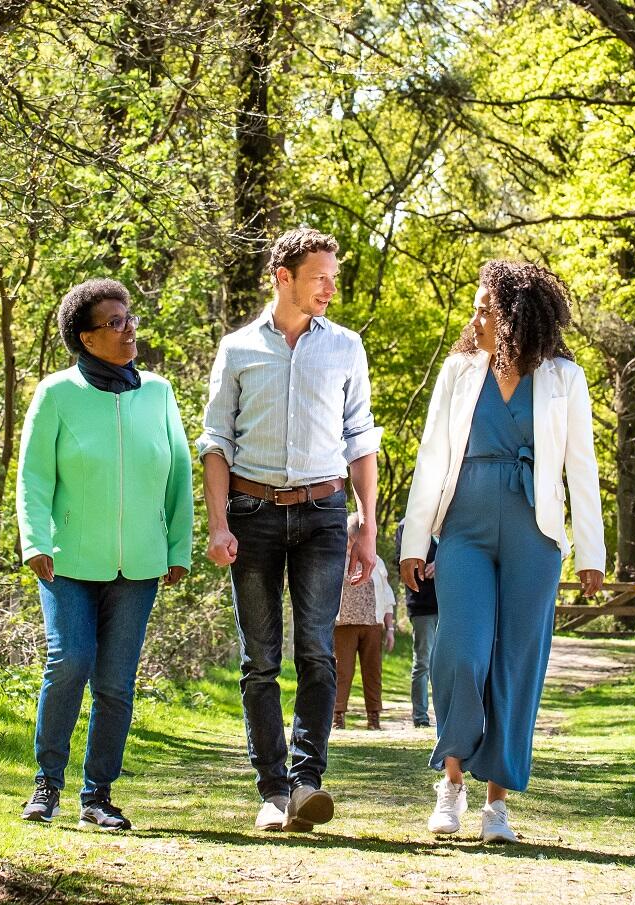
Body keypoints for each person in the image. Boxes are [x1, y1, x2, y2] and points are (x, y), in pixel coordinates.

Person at [399, 260, 606, 844]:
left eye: (486, 307)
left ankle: (496, 806)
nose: (476, 317)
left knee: (516, 665)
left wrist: (591, 552)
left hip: (534, 536)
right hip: (462, 528)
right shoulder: (460, 371)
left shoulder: (564, 378)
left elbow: (581, 469)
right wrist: (416, 542)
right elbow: (431, 456)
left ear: (514, 316)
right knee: (458, 654)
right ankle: (452, 780)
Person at [199, 227, 383, 832]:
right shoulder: (238, 349)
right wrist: (218, 523)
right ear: (284, 278)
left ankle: (308, 782)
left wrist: (367, 526)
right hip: (251, 517)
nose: (330, 288)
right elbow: (217, 441)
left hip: (324, 515)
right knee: (259, 661)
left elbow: (360, 440)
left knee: (317, 653)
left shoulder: (346, 347)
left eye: (333, 277)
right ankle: (273, 791)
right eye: (319, 278)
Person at [15, 278, 193, 832]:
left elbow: (180, 476)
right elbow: (34, 476)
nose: (128, 329)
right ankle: (47, 784)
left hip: (138, 564)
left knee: (115, 681)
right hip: (66, 559)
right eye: (114, 323)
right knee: (70, 660)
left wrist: (177, 546)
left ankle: (99, 795)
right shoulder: (57, 394)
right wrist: (34, 541)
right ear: (86, 339)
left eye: (129, 318)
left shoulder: (158, 393)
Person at [332, 511, 396, 731]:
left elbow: (387, 597)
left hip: (372, 624)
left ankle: (373, 718)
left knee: (373, 672)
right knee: (342, 671)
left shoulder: (376, 561)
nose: (353, 542)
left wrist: (390, 628)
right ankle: (337, 716)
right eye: (351, 538)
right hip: (343, 625)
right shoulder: (336, 560)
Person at [396, 523, 439, 729]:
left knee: (448, 663)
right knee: (423, 661)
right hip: (422, 604)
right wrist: (423, 565)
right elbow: (401, 563)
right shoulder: (407, 526)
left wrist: (441, 563)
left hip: (451, 603)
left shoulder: (448, 520)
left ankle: (445, 716)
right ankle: (420, 716)